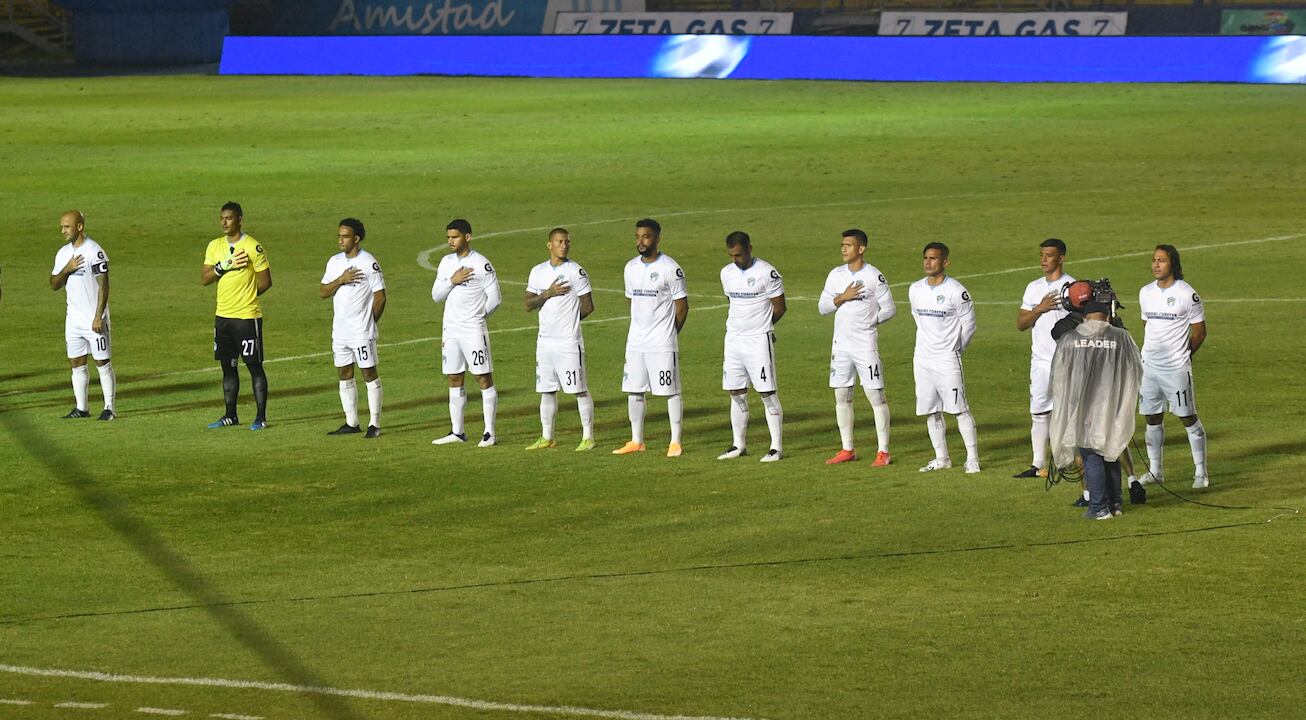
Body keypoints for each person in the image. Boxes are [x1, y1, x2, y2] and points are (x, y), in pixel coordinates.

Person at [1049, 297, 1143, 520]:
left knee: (1091, 455)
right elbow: (1136, 370)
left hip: (1082, 408)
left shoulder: (1070, 339)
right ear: (1107, 317)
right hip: (1112, 406)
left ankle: (1099, 508)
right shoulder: (1121, 337)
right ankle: (1115, 504)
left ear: (1084, 318)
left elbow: (1058, 376)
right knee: (1111, 452)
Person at [818, 228, 896, 466]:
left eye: (848, 245)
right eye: (842, 244)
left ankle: (883, 452)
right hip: (840, 346)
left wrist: (869, 323)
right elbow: (822, 307)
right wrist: (842, 297)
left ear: (861, 248)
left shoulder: (874, 276)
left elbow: (890, 309)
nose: (843, 249)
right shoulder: (836, 275)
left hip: (865, 346)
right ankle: (847, 449)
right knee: (842, 396)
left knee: (875, 396)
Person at [613, 218, 689, 457]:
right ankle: (636, 440)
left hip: (662, 342)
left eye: (646, 237)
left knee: (670, 390)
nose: (640, 241)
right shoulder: (630, 268)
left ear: (657, 238)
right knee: (634, 390)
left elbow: (682, 306)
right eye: (638, 237)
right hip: (636, 341)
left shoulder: (670, 268)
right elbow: (631, 301)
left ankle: (675, 441)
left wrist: (669, 334)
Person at [1138, 244, 1209, 489]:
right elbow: (1147, 325)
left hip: (1176, 369)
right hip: (1149, 368)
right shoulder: (1146, 292)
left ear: (1173, 264)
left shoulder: (1187, 294)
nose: (1156, 265)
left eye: (1162, 260)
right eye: (1154, 260)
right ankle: (1156, 471)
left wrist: (1183, 355)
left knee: (1187, 417)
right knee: (1151, 418)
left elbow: (1199, 333)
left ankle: (1201, 473)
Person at [908, 242, 980, 473]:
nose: (928, 262)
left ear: (945, 262)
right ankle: (942, 458)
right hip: (922, 359)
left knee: (959, 409)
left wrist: (956, 349)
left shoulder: (957, 291)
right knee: (930, 410)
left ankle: (972, 459)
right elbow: (918, 319)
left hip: (947, 359)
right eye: (926, 258)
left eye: (933, 258)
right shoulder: (915, 289)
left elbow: (969, 325)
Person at [523, 227, 596, 451]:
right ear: (550, 245)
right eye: (559, 241)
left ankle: (588, 437)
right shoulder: (537, 271)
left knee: (579, 389)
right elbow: (528, 304)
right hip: (545, 342)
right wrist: (548, 293)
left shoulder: (576, 271)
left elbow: (588, 306)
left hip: (568, 343)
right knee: (546, 389)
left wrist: (568, 322)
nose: (564, 245)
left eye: (567, 242)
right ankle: (547, 437)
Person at [431, 219, 502, 447]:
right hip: (450, 330)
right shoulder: (446, 262)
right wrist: (452, 281)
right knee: (454, 377)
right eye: (448, 237)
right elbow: (436, 295)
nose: (450, 241)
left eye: (455, 237)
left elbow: (495, 298)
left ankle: (489, 433)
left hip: (472, 330)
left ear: (467, 237)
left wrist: (478, 317)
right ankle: (457, 432)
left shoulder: (481, 264)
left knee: (482, 377)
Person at [201, 202, 272, 430]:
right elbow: (205, 278)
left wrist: (246, 295)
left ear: (240, 220)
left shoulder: (253, 247)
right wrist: (223, 266)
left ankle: (260, 418)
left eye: (229, 218)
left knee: (254, 366)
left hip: (246, 317)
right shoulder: (214, 246)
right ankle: (230, 415)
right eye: (222, 218)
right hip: (223, 316)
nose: (224, 222)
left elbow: (265, 281)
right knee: (228, 367)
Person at [717, 231, 786, 462]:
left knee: (766, 393)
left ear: (749, 249)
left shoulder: (767, 272)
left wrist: (764, 327)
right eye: (731, 255)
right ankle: (738, 445)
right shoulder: (726, 273)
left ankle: (776, 448)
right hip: (733, 340)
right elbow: (732, 302)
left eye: (739, 254)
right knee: (736, 392)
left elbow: (780, 306)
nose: (735, 259)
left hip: (758, 341)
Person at [1014, 238, 1075, 478]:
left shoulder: (1072, 287)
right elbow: (1021, 324)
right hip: (1039, 362)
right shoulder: (1033, 287)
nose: (1043, 259)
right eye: (1041, 255)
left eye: (1049, 255)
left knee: (1065, 413)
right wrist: (1039, 308)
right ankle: (1037, 464)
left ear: (1061, 258)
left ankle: (1064, 463)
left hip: (1065, 361)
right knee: (1039, 411)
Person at [320, 218, 386, 438]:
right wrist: (341, 279)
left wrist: (369, 322)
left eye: (345, 236)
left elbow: (380, 297)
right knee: (344, 373)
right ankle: (352, 422)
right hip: (340, 331)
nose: (340, 240)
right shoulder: (334, 262)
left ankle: (374, 424)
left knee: (368, 373)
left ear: (356, 238)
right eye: (339, 236)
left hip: (361, 332)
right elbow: (323, 291)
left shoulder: (368, 262)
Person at [50, 211, 116, 420]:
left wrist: (98, 316)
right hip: (73, 320)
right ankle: (82, 408)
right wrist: (67, 269)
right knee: (76, 363)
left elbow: (104, 286)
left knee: (102, 363)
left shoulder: (94, 251)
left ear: (79, 227)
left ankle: (109, 408)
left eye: (67, 227)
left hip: (93, 319)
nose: (63, 231)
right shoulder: (63, 254)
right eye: (62, 227)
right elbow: (54, 284)